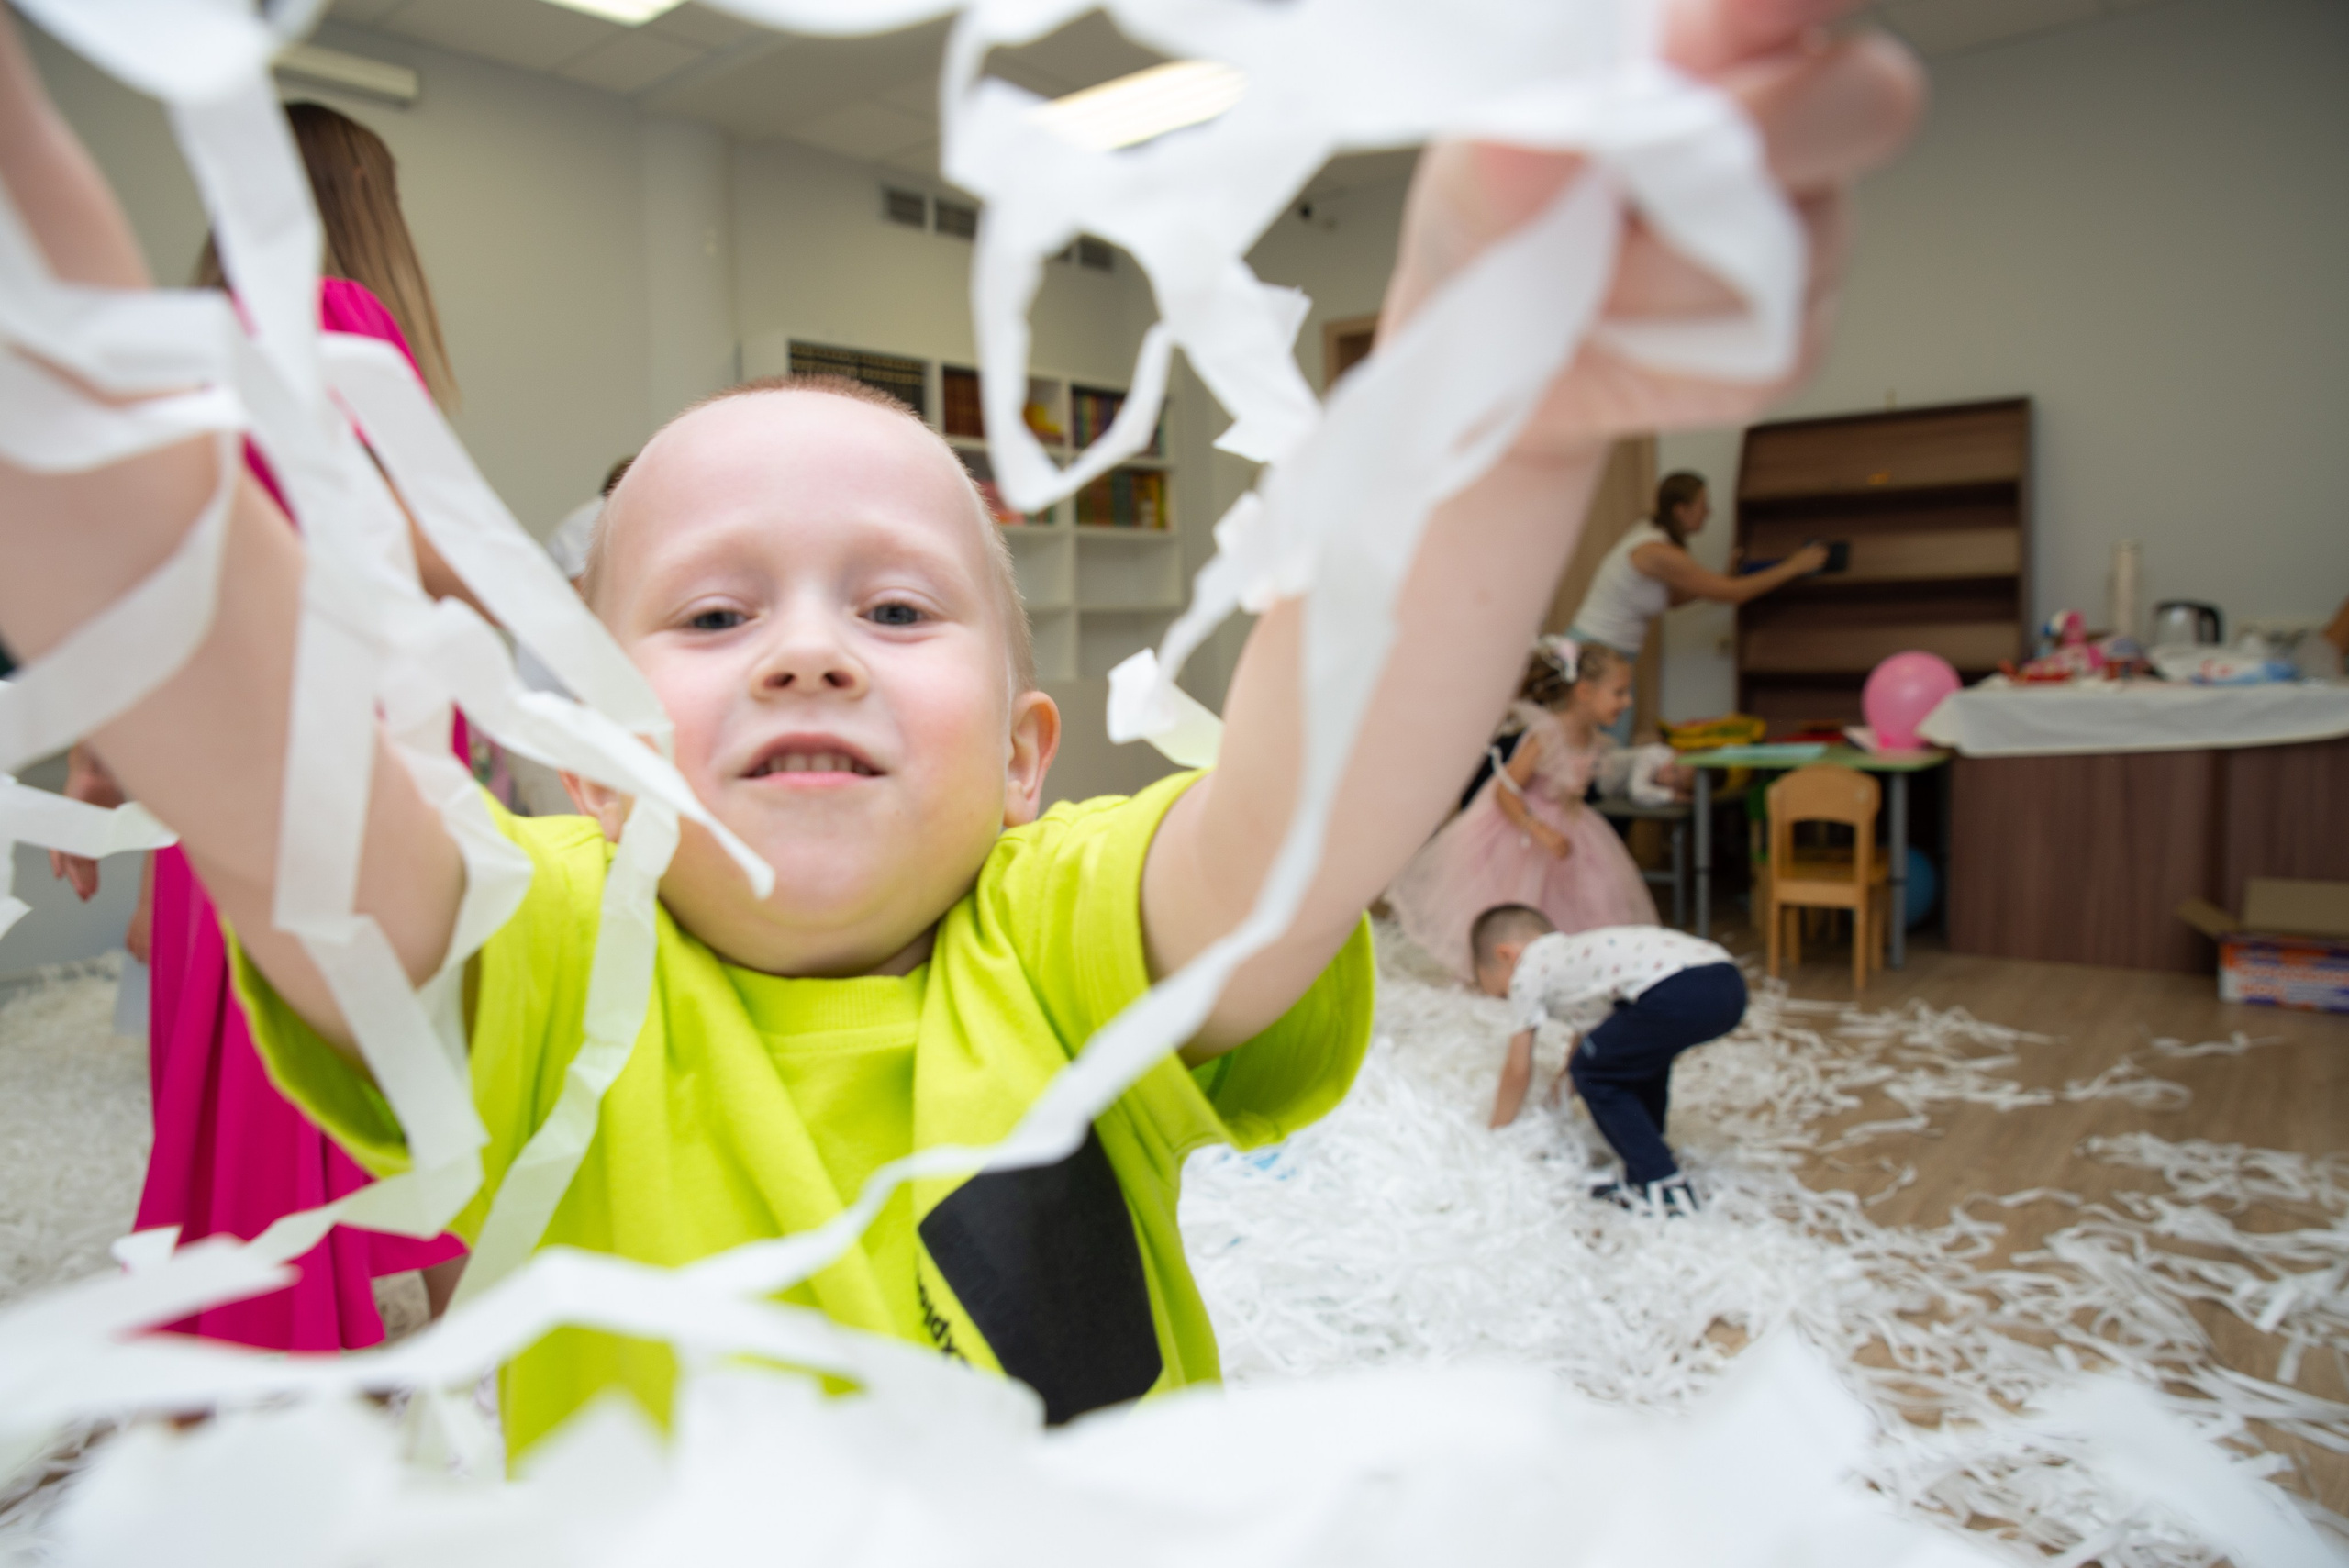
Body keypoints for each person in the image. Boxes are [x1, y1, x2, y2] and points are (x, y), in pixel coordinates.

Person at [0, 0, 1918, 1458]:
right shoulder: (531, 954)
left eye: (891, 605)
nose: (808, 651)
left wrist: (1492, 399)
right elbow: (236, 707)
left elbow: (1316, 777)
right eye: (714, 609)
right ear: (579, 750)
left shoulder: (1064, 932)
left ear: (1020, 759)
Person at [49, 99, 471, 1352]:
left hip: (218, 753)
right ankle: (425, 1319)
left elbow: (152, 573)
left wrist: (99, 754)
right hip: (337, 761)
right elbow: (414, 546)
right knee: (377, 1045)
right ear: (361, 212)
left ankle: (270, 1326)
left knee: (235, 1050)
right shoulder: (340, 321)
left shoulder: (178, 361)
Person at [1387, 639, 1685, 979]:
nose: (1627, 701)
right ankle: (1506, 969)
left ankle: (1570, 967)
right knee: (1522, 899)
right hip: (1523, 829)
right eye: (1618, 692)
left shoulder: (1594, 737)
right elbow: (1505, 791)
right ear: (1585, 692)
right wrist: (1538, 827)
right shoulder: (1547, 733)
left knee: (1583, 896)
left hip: (1571, 827)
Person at [1470, 905, 1744, 1212]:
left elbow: (1518, 1069)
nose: (1511, 999)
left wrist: (1495, 1135)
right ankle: (1649, 1164)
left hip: (1679, 988)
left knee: (1597, 1073)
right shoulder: (1576, 962)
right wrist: (1551, 1110)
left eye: (1502, 994)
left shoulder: (1528, 969)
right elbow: (1585, 1050)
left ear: (1505, 955)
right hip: (1725, 981)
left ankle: (1663, 1183)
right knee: (1630, 1064)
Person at [1566, 471, 1830, 741]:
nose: (1709, 512)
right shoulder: (1657, 551)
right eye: (1703, 505)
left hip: (1612, 654)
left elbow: (1675, 597)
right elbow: (1734, 594)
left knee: (1606, 746)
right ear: (1682, 510)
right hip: (1597, 653)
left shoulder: (1655, 536)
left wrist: (1722, 580)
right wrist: (1793, 566)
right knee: (1599, 748)